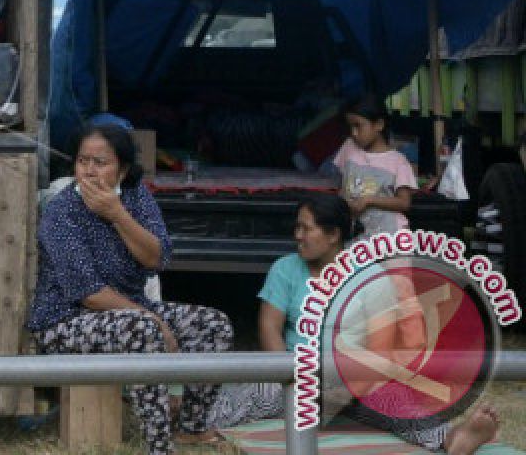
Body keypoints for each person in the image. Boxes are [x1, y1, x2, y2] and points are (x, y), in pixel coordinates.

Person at [207, 194, 499, 455]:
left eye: (306, 228)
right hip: (294, 379)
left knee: (398, 402)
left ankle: (453, 438)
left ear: (333, 235)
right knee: (241, 398)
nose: (298, 235)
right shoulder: (285, 268)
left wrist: (344, 393)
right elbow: (269, 327)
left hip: (356, 383)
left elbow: (380, 350)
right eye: (297, 227)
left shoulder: (372, 278)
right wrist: (290, 377)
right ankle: (181, 413)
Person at [28, 123, 234, 455]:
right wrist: (152, 320)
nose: (90, 172)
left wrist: (117, 214)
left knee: (213, 325)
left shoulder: (137, 197)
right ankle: (158, 446)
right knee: (142, 330)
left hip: (129, 307)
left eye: (101, 163)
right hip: (64, 321)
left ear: (123, 170)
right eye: (84, 162)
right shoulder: (61, 211)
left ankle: (191, 428)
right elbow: (89, 293)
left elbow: (156, 258)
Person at [334, 94, 416, 237]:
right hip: (355, 235)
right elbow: (342, 187)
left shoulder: (398, 161)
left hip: (390, 237)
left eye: (358, 126)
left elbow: (404, 202)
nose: (353, 133)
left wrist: (369, 200)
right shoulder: (349, 147)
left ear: (379, 124)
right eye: (350, 127)